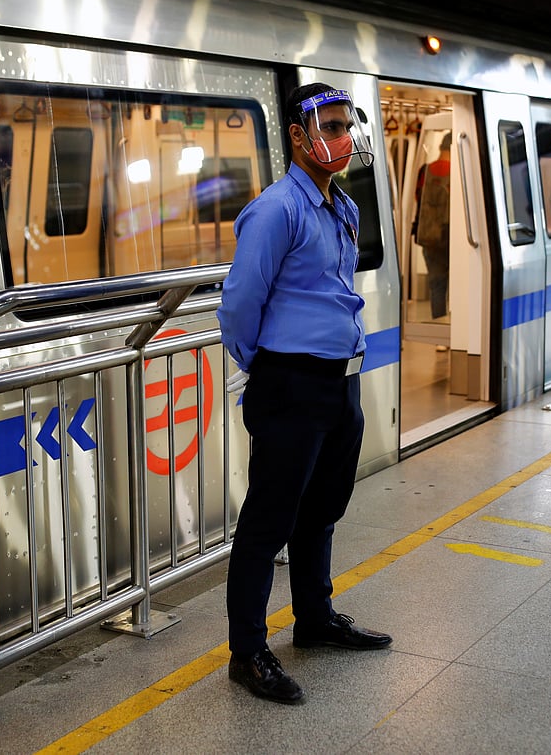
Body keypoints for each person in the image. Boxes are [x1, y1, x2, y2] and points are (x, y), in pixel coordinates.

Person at [217, 83, 392, 706]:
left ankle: (314, 620)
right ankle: (248, 651)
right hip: (290, 383)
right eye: (333, 126)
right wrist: (261, 366)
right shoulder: (276, 210)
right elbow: (239, 303)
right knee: (268, 522)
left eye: (349, 126)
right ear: (298, 135)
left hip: (340, 383)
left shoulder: (339, 204)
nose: (344, 138)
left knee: (323, 509)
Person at [415, 133, 452, 323]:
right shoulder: (457, 172)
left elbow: (417, 199)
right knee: (459, 285)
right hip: (451, 236)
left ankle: (440, 330)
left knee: (437, 284)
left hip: (429, 236)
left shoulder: (425, 170)